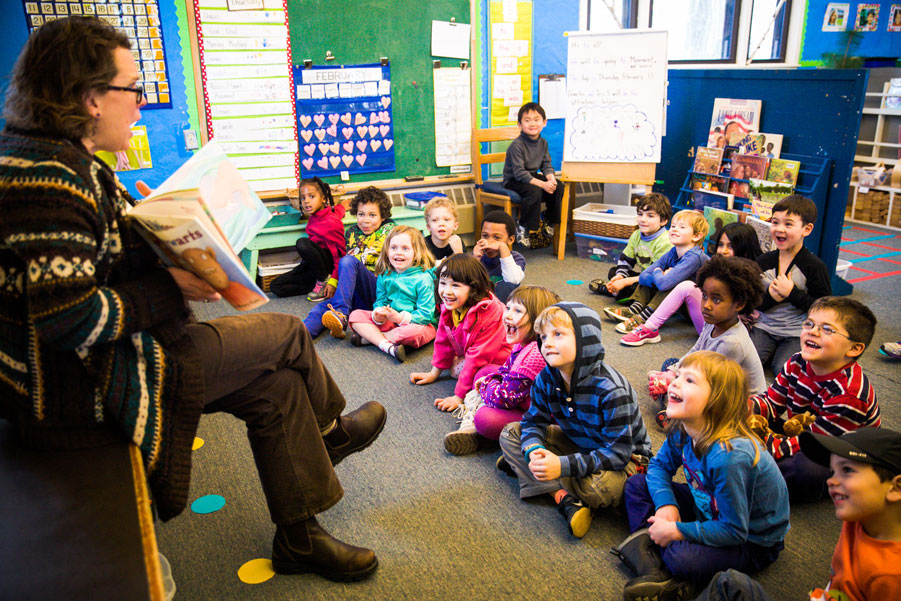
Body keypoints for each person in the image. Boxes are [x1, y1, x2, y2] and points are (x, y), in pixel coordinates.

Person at [0, 16, 385, 581]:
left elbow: (88, 262)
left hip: (101, 362)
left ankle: (299, 538)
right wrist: (170, 283)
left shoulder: (50, 159)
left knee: (276, 389)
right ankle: (328, 437)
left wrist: (152, 229)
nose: (138, 104)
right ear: (89, 100)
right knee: (282, 333)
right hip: (80, 387)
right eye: (132, 90)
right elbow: (69, 318)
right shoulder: (51, 180)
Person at [612, 352, 789, 601]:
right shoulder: (683, 427)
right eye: (678, 375)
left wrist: (677, 530)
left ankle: (654, 557)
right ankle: (658, 567)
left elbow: (734, 530)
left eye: (689, 380)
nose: (674, 382)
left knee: (683, 559)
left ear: (718, 401)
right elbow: (658, 467)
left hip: (752, 541)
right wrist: (666, 504)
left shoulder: (730, 457)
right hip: (705, 507)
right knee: (636, 485)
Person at [498, 302, 652, 538]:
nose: (547, 343)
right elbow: (532, 422)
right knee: (511, 433)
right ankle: (563, 497)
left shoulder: (611, 390)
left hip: (625, 462)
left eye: (558, 334)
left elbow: (618, 454)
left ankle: (530, 473)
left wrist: (560, 465)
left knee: (597, 489)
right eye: (543, 336)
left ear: (585, 339)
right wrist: (535, 450)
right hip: (579, 444)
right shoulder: (547, 378)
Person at [695, 427, 901, 601]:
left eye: (847, 470)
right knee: (731, 583)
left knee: (726, 584)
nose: (831, 481)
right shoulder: (858, 519)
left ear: (895, 488)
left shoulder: (891, 576)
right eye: (833, 472)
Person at [749, 296, 880, 503]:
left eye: (827, 329)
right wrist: (743, 409)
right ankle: (755, 464)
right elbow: (771, 402)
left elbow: (816, 444)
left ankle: (760, 480)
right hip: (804, 433)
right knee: (742, 415)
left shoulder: (849, 394)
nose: (813, 331)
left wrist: (761, 444)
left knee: (805, 470)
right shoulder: (797, 361)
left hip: (836, 454)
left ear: (854, 349)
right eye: (809, 323)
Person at [646, 255, 767, 429]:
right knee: (671, 364)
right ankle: (672, 405)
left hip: (736, 405)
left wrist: (672, 383)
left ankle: (674, 415)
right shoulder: (714, 322)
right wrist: (671, 374)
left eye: (716, 300)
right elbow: (696, 352)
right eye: (704, 296)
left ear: (739, 304)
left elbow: (707, 386)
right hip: (709, 379)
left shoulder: (732, 343)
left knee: (682, 387)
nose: (706, 305)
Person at [443, 285, 559, 455]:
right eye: (508, 307)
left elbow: (502, 399)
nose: (508, 315)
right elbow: (506, 371)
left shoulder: (534, 355)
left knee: (485, 419)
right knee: (485, 371)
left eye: (518, 311)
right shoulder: (525, 342)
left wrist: (485, 386)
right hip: (523, 397)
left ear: (538, 321)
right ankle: (481, 424)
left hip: (545, 418)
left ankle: (478, 430)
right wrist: (491, 379)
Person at [620, 222, 762, 344]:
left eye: (731, 246)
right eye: (721, 245)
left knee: (683, 285)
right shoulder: (716, 266)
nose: (723, 251)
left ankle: (647, 324)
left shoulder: (748, 275)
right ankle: (646, 323)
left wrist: (659, 273)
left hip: (726, 332)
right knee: (677, 282)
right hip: (708, 322)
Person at [410, 254, 511, 412]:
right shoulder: (451, 304)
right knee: (455, 369)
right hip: (472, 349)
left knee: (476, 375)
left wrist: (459, 396)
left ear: (473, 287)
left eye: (455, 285)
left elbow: (479, 356)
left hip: (502, 357)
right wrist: (434, 372)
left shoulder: (490, 315)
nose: (446, 292)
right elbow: (443, 339)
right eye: (443, 283)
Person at [750, 195, 831, 376]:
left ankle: (779, 355)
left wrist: (792, 293)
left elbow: (824, 308)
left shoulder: (814, 266)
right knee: (747, 363)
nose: (779, 229)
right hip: (764, 327)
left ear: (806, 229)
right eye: (775, 222)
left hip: (796, 332)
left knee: (785, 371)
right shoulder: (764, 260)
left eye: (788, 224)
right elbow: (753, 301)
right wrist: (771, 297)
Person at [304, 186, 396, 339]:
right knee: (321, 309)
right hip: (353, 293)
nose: (365, 220)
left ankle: (340, 313)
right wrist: (334, 280)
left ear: (383, 216)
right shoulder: (352, 232)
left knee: (348, 261)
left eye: (372, 215)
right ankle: (299, 336)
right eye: (361, 214)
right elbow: (343, 261)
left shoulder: (391, 232)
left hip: (378, 292)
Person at [604, 210, 709, 331]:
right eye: (673, 226)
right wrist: (661, 274)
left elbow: (665, 284)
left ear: (696, 236)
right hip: (679, 302)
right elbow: (644, 275)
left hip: (699, 309)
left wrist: (659, 272)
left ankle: (644, 317)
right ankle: (634, 309)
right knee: (654, 278)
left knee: (671, 283)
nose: (674, 229)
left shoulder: (694, 257)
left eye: (682, 227)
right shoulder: (674, 251)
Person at [347, 226, 437, 363]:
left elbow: (426, 315)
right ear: (387, 251)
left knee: (412, 334)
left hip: (417, 323)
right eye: (393, 248)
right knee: (355, 315)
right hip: (391, 321)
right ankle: (387, 345)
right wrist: (377, 313)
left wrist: (400, 318)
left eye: (405, 248)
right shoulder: (385, 275)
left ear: (417, 252)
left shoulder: (423, 279)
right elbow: (380, 301)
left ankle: (372, 339)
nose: (398, 253)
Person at [269, 177, 348, 299]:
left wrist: (334, 280)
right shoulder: (315, 217)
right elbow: (335, 213)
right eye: (303, 198)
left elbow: (341, 256)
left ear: (323, 199)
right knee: (275, 287)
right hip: (313, 267)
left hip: (327, 266)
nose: (306, 201)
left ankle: (323, 282)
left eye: (311, 196)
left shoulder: (332, 223)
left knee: (302, 243)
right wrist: (342, 208)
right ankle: (317, 285)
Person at [588, 193, 673, 303]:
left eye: (650, 216)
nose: (643, 219)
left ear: (663, 220)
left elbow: (654, 276)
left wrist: (624, 282)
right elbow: (626, 260)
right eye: (640, 214)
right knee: (614, 272)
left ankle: (611, 291)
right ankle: (617, 290)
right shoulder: (636, 235)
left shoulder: (665, 241)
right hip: (643, 277)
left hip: (656, 281)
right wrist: (620, 276)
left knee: (641, 289)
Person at [502, 102, 564, 248]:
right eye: (527, 120)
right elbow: (519, 173)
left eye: (536, 120)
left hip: (531, 177)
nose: (532, 124)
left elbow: (546, 165)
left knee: (559, 186)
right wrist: (543, 184)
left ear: (544, 122)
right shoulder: (516, 146)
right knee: (534, 191)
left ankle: (549, 219)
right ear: (519, 124)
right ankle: (523, 226)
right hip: (514, 180)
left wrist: (551, 179)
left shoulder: (543, 143)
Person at [473, 210, 527, 303]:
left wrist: (502, 247)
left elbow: (513, 280)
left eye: (497, 238)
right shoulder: (475, 257)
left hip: (504, 311)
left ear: (510, 239)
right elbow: (464, 285)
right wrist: (475, 260)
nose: (489, 241)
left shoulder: (516, 258)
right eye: (485, 236)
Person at [423, 196, 465, 263]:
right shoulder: (422, 245)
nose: (441, 224)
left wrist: (459, 253)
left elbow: (464, 271)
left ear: (455, 225)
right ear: (428, 227)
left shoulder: (457, 242)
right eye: (435, 220)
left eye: (446, 220)